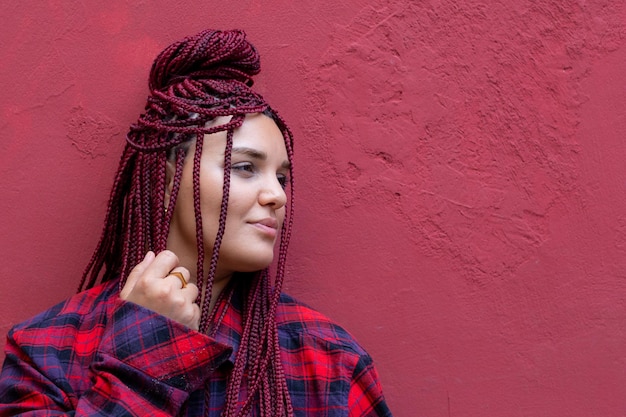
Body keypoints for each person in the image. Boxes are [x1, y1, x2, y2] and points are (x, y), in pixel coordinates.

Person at [0, 29, 393, 417]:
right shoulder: (47, 351)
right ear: (168, 177)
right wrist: (142, 362)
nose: (278, 195)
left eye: (282, 177)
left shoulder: (329, 362)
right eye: (245, 167)